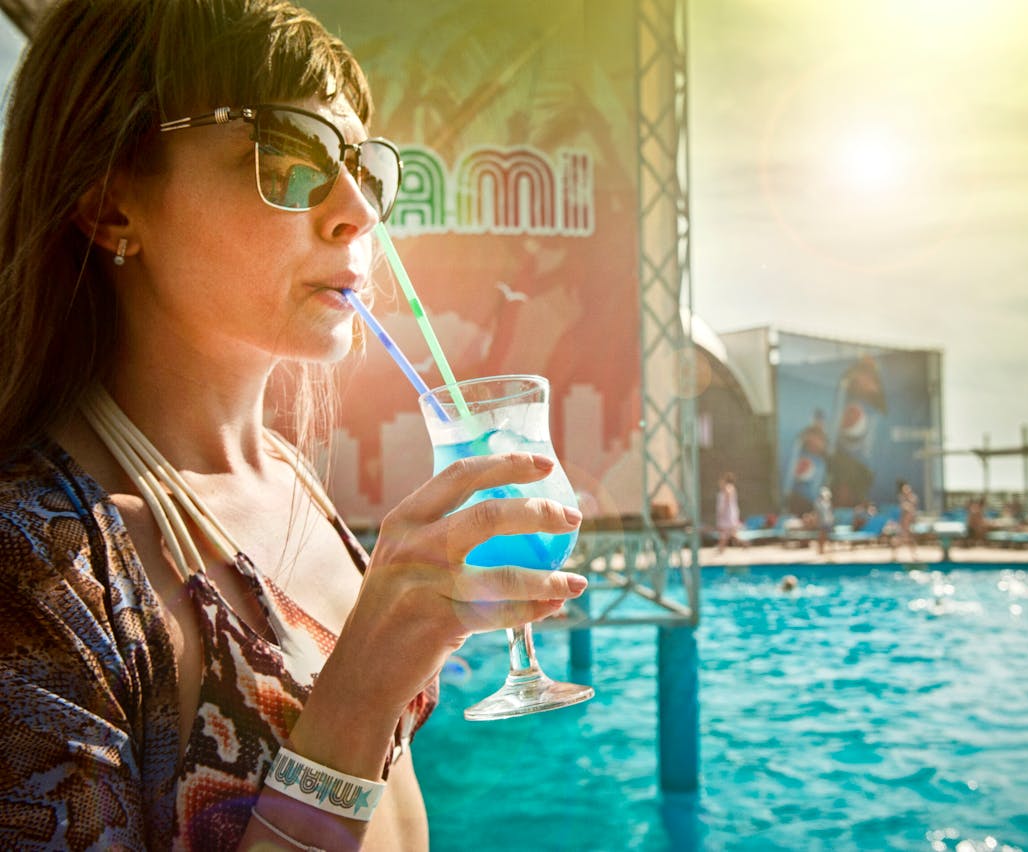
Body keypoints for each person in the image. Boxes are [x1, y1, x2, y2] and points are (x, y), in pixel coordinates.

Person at [0, 2, 586, 849]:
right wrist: (358, 695)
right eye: (288, 156)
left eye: (362, 166)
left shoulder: (291, 483)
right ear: (109, 205)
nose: (358, 210)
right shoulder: (37, 565)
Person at [891, 479, 919, 561]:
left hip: (908, 524)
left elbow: (913, 512)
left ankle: (913, 556)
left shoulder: (912, 499)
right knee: (901, 539)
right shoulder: (903, 501)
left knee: (909, 540)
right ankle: (895, 556)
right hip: (904, 524)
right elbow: (904, 511)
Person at [715, 472, 742, 552]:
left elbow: (727, 501)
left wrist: (722, 511)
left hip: (728, 515)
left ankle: (721, 548)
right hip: (726, 515)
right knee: (730, 534)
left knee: (726, 532)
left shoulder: (729, 488)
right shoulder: (725, 489)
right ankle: (745, 544)